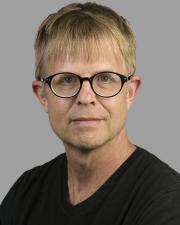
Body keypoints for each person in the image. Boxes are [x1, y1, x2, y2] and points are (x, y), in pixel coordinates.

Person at [0, 2, 180, 225]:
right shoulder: (24, 194)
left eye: (105, 78)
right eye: (67, 79)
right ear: (42, 95)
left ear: (130, 92)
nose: (86, 97)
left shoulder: (167, 201)